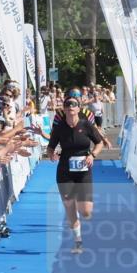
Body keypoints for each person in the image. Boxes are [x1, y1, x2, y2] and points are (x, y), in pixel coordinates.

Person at [47, 93, 104, 254]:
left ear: (78, 108)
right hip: (65, 171)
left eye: (73, 105)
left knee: (85, 212)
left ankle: (81, 209)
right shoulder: (59, 128)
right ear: (64, 109)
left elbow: (99, 143)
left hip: (84, 171)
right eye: (67, 105)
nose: (71, 107)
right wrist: (51, 154)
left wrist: (92, 155)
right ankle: (78, 241)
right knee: (69, 206)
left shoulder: (86, 125)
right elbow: (50, 147)